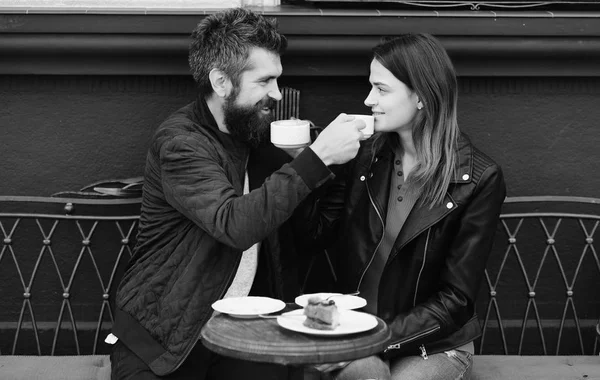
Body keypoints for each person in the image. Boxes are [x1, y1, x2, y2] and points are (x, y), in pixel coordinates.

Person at [109, 7, 365, 380]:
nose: (277, 93)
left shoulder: (263, 138)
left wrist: (326, 168)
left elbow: (312, 237)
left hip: (247, 331)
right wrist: (316, 158)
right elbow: (234, 225)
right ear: (221, 81)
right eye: (264, 81)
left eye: (278, 79)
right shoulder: (181, 144)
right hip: (164, 339)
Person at [309, 34, 507, 380]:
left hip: (435, 345)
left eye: (382, 89)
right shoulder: (364, 156)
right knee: (363, 374)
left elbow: (456, 300)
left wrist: (376, 339)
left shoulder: (478, 180)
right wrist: (311, 164)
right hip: (357, 331)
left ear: (420, 96)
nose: (369, 99)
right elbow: (315, 235)